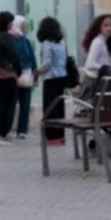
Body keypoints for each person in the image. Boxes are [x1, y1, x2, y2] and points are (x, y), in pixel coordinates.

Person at [0, 11, 22, 146]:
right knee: (6, 105)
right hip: (7, 75)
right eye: (11, 22)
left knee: (1, 103)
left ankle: (0, 134)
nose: (12, 24)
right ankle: (2, 134)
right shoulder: (6, 37)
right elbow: (13, 55)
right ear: (7, 23)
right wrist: (19, 70)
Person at [36, 17, 69, 146]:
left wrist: (37, 71)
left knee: (50, 108)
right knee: (60, 107)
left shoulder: (46, 43)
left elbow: (47, 63)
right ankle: (60, 136)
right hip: (62, 77)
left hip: (50, 78)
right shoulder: (62, 43)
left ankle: (52, 137)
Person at [11, 17, 37, 139]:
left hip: (26, 75)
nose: (25, 27)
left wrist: (35, 73)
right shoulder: (11, 39)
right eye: (23, 24)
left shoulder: (25, 40)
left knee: (25, 104)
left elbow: (32, 57)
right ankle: (7, 128)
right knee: (10, 104)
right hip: (13, 75)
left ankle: (22, 130)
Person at [81, 13, 111, 88]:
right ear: (99, 27)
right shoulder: (98, 42)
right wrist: (105, 68)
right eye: (105, 25)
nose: (109, 28)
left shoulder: (104, 42)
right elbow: (89, 64)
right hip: (92, 81)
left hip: (99, 80)